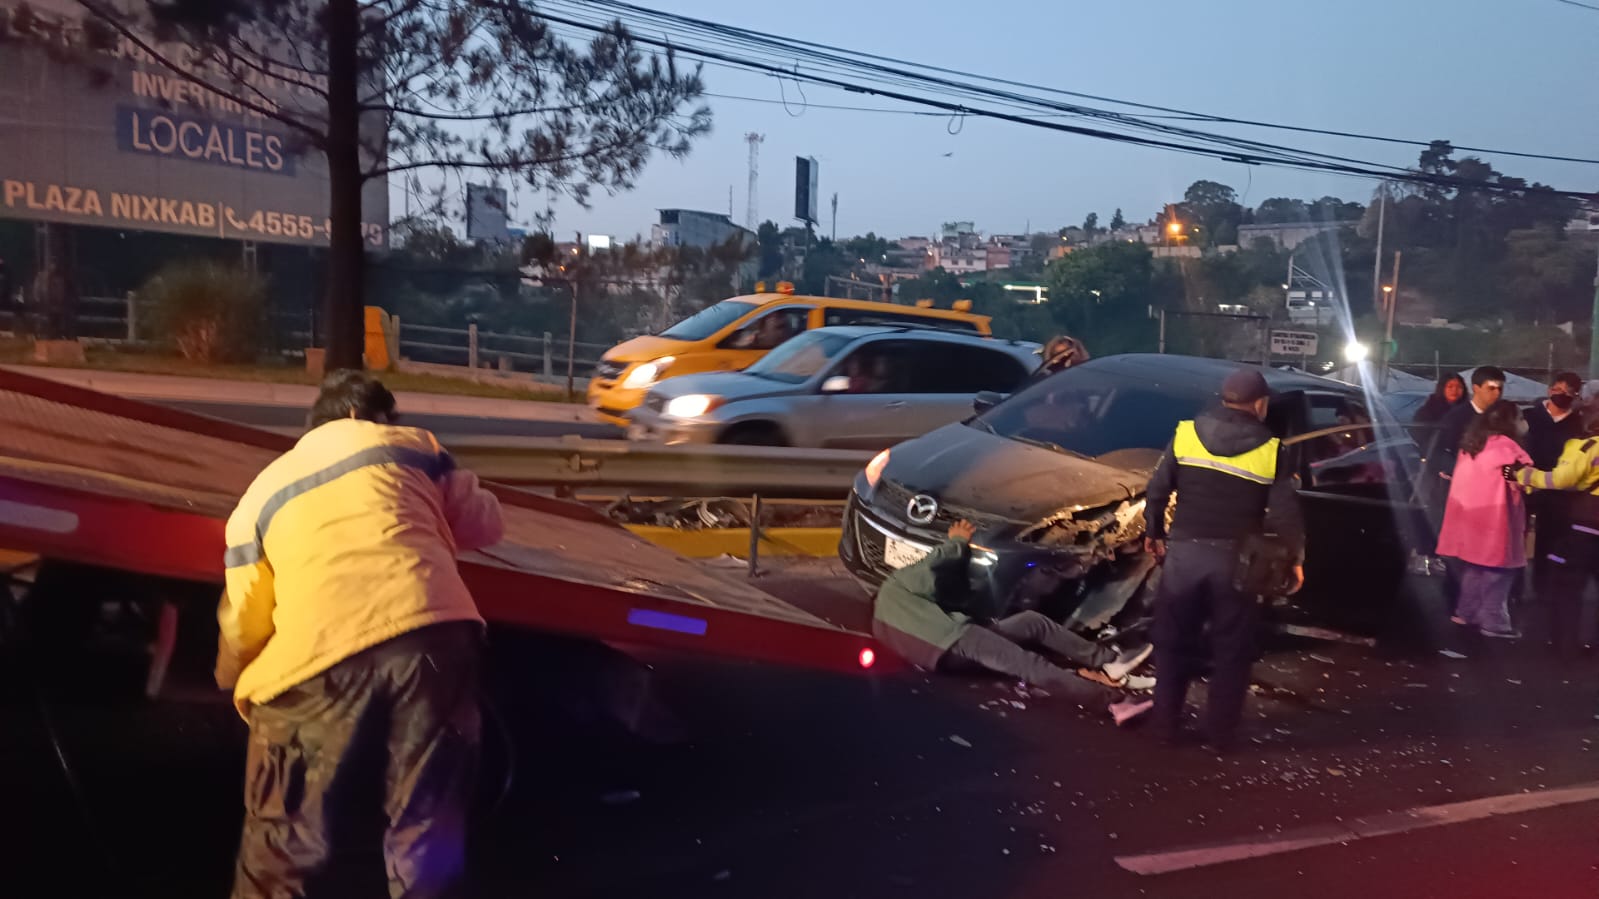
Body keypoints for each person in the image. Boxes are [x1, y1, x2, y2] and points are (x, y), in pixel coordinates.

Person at [217, 370, 505, 899]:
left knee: (284, 844)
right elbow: (486, 525)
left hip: (315, 664)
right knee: (426, 823)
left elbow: (244, 618)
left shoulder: (258, 497)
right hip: (432, 637)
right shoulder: (415, 447)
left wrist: (232, 678)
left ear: (316, 425)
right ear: (380, 417)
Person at [1143, 368, 1305, 752]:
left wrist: (1154, 532)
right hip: (1236, 561)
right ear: (1260, 404)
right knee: (1231, 648)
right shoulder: (1271, 449)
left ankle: (1165, 727)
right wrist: (1295, 557)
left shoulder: (1185, 433)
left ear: (1223, 397)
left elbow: (1158, 488)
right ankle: (1220, 736)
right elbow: (1284, 513)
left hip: (1184, 555)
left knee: (1172, 642)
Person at [871, 519, 1154, 724]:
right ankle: (1113, 703)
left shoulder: (884, 621)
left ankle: (1107, 661)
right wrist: (958, 540)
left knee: (1031, 622)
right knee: (1028, 664)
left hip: (944, 655)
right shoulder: (896, 584)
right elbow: (934, 564)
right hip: (954, 639)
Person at [1507, 403, 1599, 657]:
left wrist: (1525, 475)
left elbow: (1560, 480)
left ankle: (1565, 646)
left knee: (1567, 588)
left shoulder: (1587, 446)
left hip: (1585, 526)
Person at [1435, 401, 1530, 640]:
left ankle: (1465, 613)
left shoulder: (1471, 444)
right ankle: (1494, 621)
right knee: (1499, 571)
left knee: (1475, 568)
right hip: (1496, 519)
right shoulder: (1508, 447)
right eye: (1519, 418)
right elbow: (1526, 478)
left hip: (1469, 517)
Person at [1522, 372, 1585, 605]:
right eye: (1560, 389)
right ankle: (1513, 589)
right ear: (1550, 390)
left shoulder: (1577, 424)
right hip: (1526, 485)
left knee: (1550, 539)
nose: (1564, 395)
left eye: (1570, 392)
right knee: (1517, 538)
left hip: (1558, 491)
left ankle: (1543, 589)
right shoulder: (1529, 416)